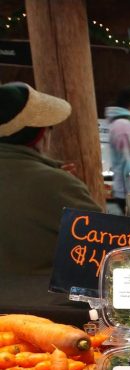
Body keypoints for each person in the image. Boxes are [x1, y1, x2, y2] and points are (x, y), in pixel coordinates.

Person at [0, 83, 102, 276]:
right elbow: (104, 250)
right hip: (35, 302)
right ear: (39, 134)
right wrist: (60, 182)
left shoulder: (53, 180)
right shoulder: (56, 184)